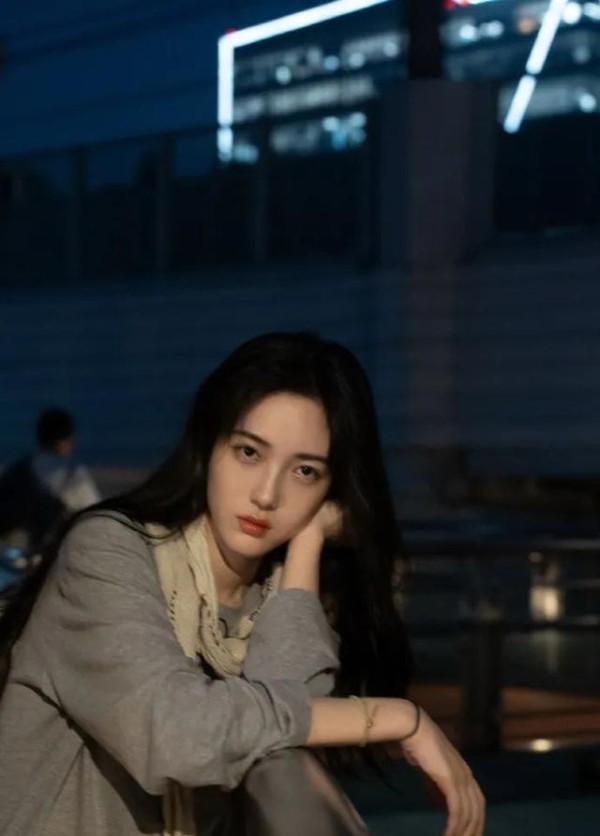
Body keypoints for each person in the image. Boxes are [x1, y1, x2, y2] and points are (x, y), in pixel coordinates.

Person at [0, 332, 485, 836]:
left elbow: (287, 722)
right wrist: (394, 717)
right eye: (249, 452)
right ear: (209, 444)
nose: (267, 495)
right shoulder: (107, 550)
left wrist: (307, 544)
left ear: (331, 491)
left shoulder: (277, 597)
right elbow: (176, 735)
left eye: (304, 471)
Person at [0, 407, 101, 554]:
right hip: (58, 555)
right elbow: (95, 517)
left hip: (17, 554)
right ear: (69, 439)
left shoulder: (18, 470)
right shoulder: (73, 475)